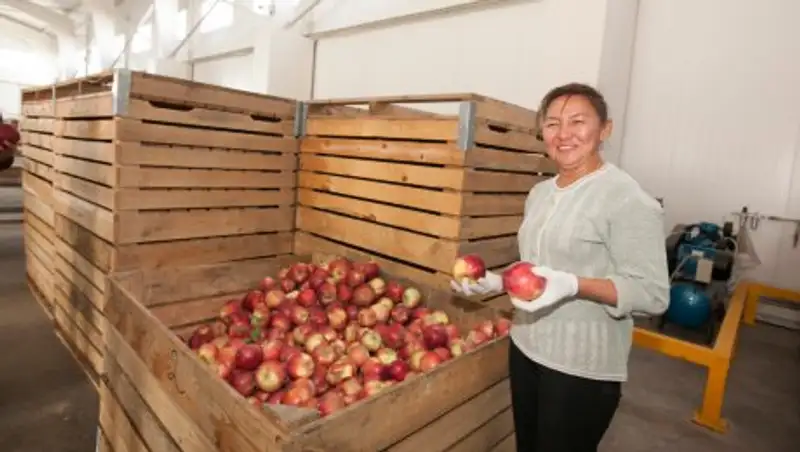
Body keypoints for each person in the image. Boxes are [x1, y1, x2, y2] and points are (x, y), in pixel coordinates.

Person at [451, 83, 670, 452]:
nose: (563, 134)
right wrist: (498, 282)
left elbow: (652, 294)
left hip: (581, 369)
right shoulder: (541, 193)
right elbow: (538, 270)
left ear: (605, 130)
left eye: (577, 121)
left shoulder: (627, 198)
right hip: (526, 348)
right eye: (552, 124)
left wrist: (575, 285)